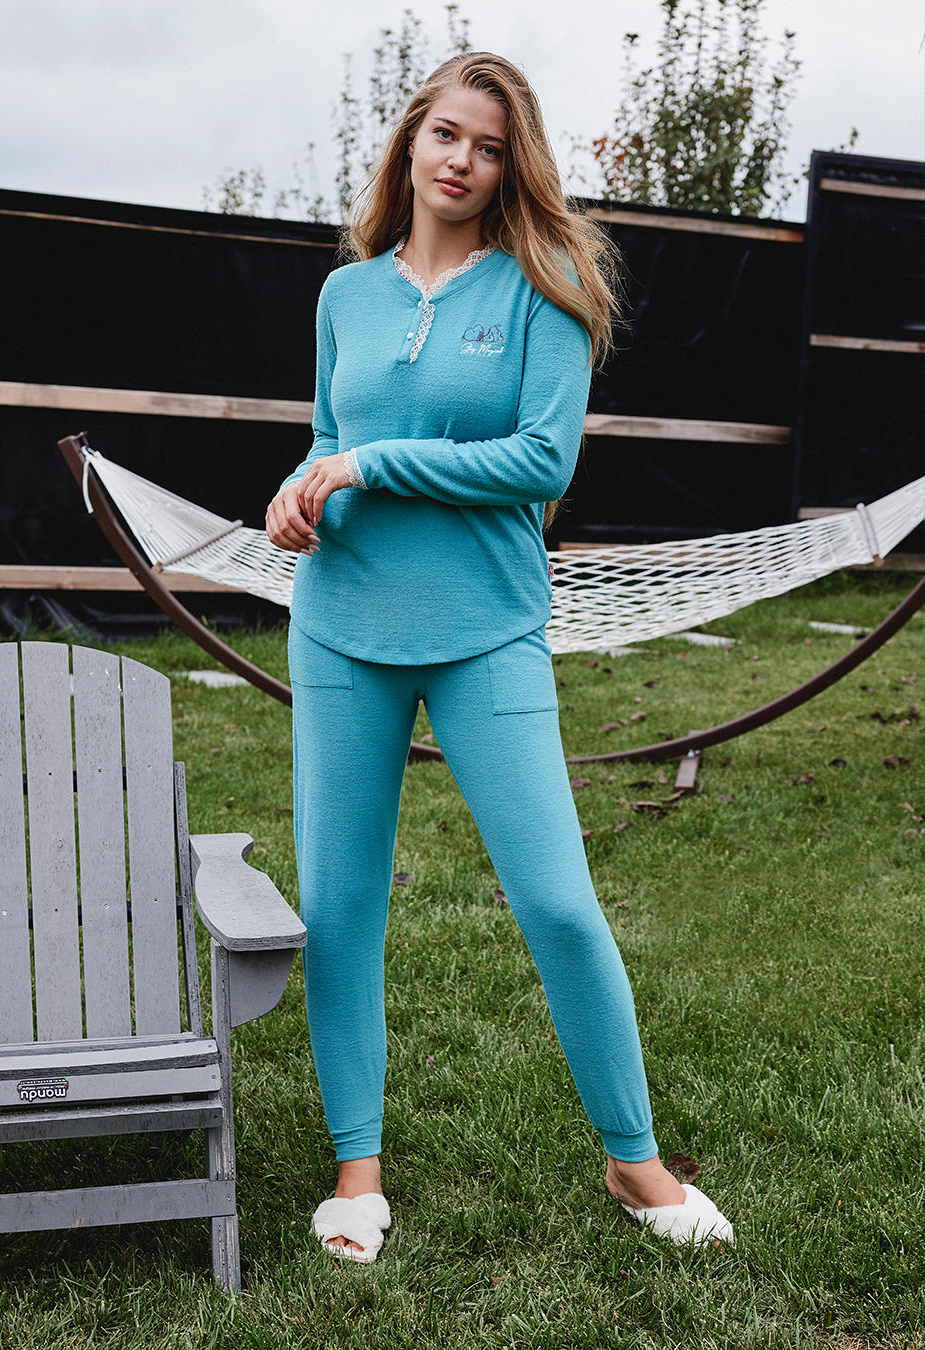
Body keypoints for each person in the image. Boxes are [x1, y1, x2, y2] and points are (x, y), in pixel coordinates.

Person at [265, 51, 732, 1262]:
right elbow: (328, 433)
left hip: (488, 632)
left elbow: (540, 462)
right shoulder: (346, 297)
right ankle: (356, 1173)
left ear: (511, 166)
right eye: (445, 135)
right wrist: (298, 487)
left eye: (487, 145)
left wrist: (368, 465)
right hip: (340, 625)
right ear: (410, 143)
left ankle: (635, 1162)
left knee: (560, 903)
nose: (461, 160)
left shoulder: (545, 287)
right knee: (340, 904)